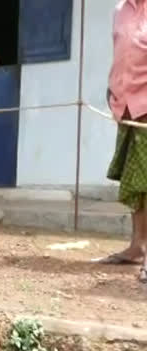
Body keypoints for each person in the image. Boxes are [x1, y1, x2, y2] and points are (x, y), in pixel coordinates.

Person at [97, 0, 147, 282]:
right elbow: (121, 56)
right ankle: (137, 247)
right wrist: (112, 92)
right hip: (126, 106)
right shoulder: (120, 11)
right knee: (135, 180)